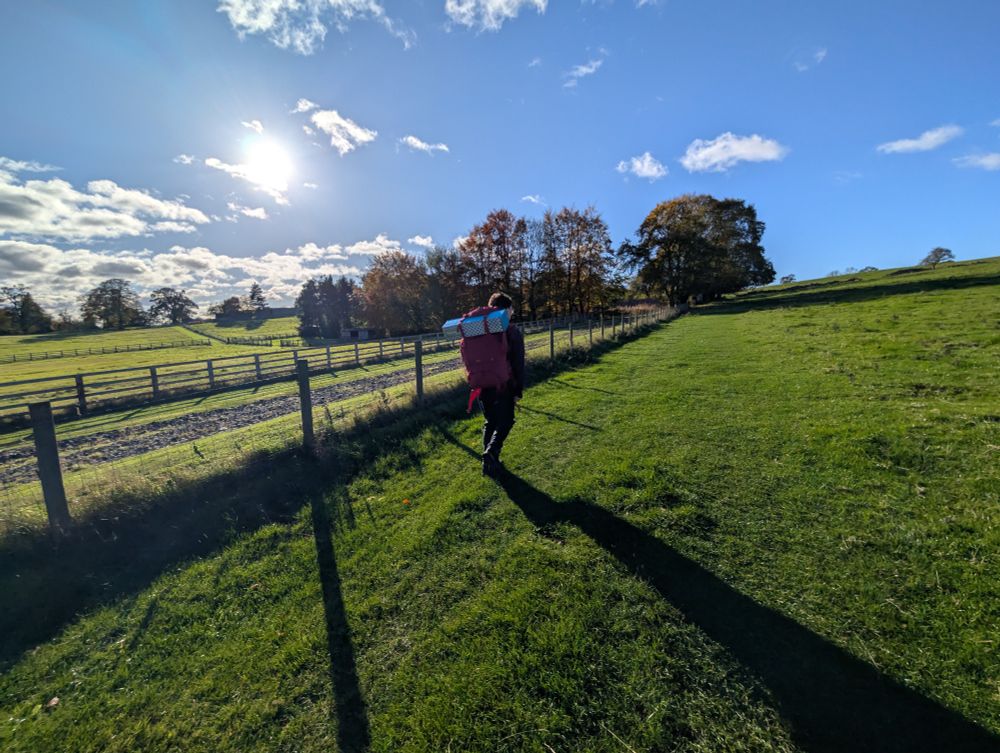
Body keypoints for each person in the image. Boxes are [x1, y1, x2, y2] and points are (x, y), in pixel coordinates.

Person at [480, 292, 525, 477]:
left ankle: (489, 463)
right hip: (503, 385)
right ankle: (491, 452)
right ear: (507, 310)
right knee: (506, 421)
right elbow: (518, 363)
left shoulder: (478, 329)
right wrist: (518, 390)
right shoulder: (511, 331)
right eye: (512, 309)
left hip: (481, 385)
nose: (513, 312)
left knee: (491, 421)